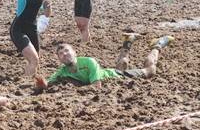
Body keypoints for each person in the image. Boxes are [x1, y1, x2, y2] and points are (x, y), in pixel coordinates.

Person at [36, 33, 174, 89]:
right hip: (113, 73)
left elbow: (97, 85)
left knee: (150, 70)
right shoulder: (62, 71)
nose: (64, 54)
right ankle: (128, 41)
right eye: (61, 54)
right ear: (59, 59)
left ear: (74, 52)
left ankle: (158, 44)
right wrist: (41, 83)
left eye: (67, 51)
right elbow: (47, 84)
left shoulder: (89, 62)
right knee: (122, 64)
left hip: (116, 77)